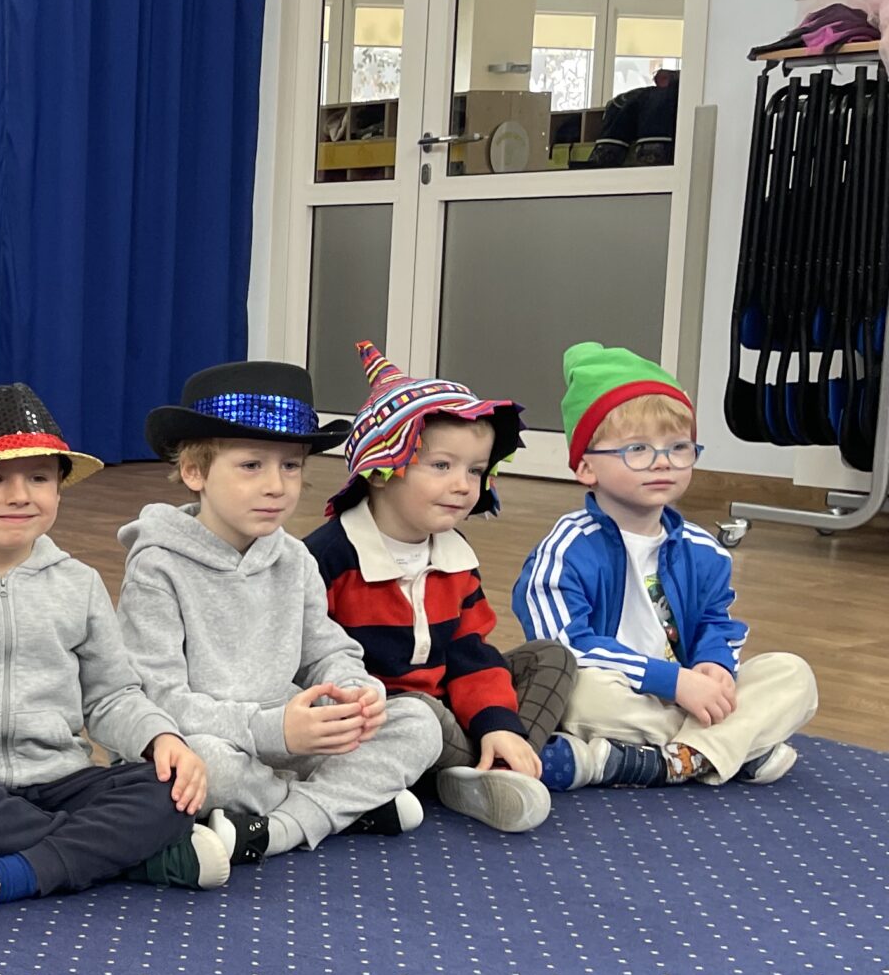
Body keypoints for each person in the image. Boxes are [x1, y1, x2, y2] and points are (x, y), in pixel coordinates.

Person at [0, 384, 228, 916]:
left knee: (167, 790)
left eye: (38, 477)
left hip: (66, 778)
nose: (20, 495)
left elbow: (111, 695)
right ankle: (128, 856)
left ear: (58, 488)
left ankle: (9, 876)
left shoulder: (80, 583)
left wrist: (160, 736)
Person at [119, 361, 443, 861]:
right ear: (194, 472)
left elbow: (326, 650)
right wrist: (274, 730)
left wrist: (355, 693)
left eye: (291, 466)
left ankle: (278, 824)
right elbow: (159, 699)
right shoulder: (156, 567)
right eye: (252, 465)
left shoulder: (294, 557)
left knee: (418, 723)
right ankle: (341, 806)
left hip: (295, 734)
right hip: (214, 738)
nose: (277, 485)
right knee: (204, 765)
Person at [512, 342, 816, 786]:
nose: (663, 463)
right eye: (637, 449)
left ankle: (655, 761)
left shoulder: (704, 549)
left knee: (793, 675)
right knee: (580, 694)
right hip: (624, 692)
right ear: (586, 468)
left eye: (678, 447)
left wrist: (714, 663)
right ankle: (733, 746)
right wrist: (671, 681)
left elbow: (717, 622)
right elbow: (565, 646)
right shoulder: (565, 550)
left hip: (688, 690)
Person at [304, 343, 572, 833]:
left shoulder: (455, 554)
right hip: (379, 717)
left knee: (552, 659)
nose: (464, 485)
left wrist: (497, 722)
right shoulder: (327, 557)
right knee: (418, 714)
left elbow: (470, 652)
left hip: (448, 705)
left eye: (475, 470)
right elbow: (307, 666)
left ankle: (496, 757)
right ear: (382, 471)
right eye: (442, 466)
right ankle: (498, 764)